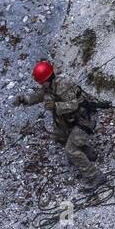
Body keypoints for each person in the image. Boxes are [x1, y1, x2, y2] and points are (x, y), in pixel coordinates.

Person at [14, 60, 108, 190]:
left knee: (71, 150)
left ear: (47, 79)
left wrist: (55, 106)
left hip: (84, 119)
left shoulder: (63, 85)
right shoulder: (50, 86)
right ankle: (87, 153)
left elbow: (74, 104)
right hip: (70, 120)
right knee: (59, 136)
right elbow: (39, 95)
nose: (40, 85)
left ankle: (95, 176)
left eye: (41, 82)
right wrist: (25, 100)